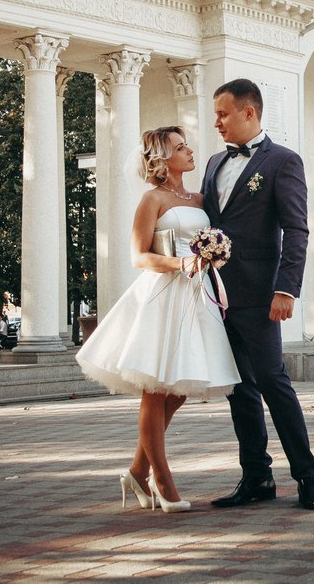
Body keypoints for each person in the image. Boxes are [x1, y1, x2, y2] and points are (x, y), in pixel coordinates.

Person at [76, 126, 241, 513]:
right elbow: (139, 256)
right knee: (156, 387)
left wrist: (213, 256)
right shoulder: (153, 199)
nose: (190, 151)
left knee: (180, 387)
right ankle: (162, 479)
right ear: (162, 160)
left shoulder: (201, 198)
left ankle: (137, 470)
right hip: (163, 294)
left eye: (187, 145)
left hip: (197, 297)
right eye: (180, 148)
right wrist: (181, 262)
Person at [201, 79, 314, 511]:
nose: (216, 121)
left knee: (274, 382)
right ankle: (256, 478)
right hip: (217, 296)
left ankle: (307, 478)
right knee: (239, 389)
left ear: (248, 113)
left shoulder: (283, 162)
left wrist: (286, 289)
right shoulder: (215, 162)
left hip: (261, 295)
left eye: (222, 113)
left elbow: (297, 229)